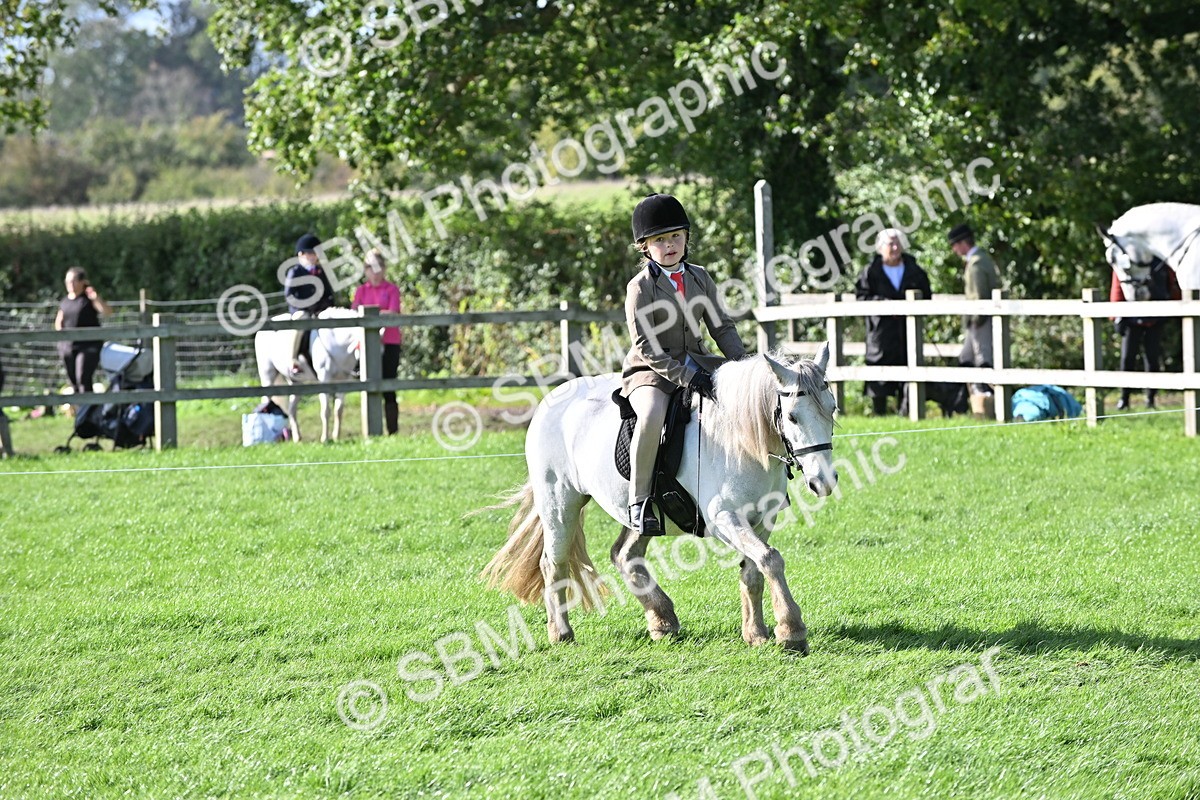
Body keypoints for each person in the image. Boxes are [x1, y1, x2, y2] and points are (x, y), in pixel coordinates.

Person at [620, 193, 747, 536]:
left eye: (676, 236)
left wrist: (743, 367)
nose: (670, 245)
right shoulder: (640, 287)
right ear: (645, 247)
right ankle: (639, 501)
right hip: (651, 371)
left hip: (698, 360)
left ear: (687, 237)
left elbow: (722, 328)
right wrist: (687, 377)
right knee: (651, 416)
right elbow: (646, 346)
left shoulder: (700, 277)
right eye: (660, 240)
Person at [854, 229, 932, 416]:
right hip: (880, 332)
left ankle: (907, 413)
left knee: (909, 365)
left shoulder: (914, 269)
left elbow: (927, 295)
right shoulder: (870, 272)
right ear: (880, 248)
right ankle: (879, 414)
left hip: (907, 331)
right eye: (891, 244)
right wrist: (886, 305)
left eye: (898, 243)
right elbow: (862, 298)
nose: (895, 248)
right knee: (878, 373)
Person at [1109, 252, 1181, 409]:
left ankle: (1150, 398)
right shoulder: (1129, 255)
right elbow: (1118, 282)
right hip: (1130, 317)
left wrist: (1175, 304)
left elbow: (1170, 282)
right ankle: (1124, 398)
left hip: (1155, 317)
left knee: (1152, 358)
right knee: (1127, 358)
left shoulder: (1159, 257)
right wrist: (1116, 314)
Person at [352, 249, 404, 435]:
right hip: (365, 345)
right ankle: (371, 430)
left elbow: (393, 312)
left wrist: (373, 316)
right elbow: (354, 314)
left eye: (377, 266)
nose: (374, 271)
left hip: (389, 342)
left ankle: (393, 431)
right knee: (367, 385)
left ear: (384, 268)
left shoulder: (391, 290)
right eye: (369, 267)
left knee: (389, 385)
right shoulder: (361, 291)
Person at [948, 223, 1002, 394]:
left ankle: (987, 397)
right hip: (977, 319)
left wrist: (976, 320)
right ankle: (969, 397)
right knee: (966, 357)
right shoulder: (981, 259)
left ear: (963, 243)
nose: (954, 250)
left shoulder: (976, 263)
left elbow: (979, 294)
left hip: (979, 319)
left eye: (955, 245)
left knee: (982, 357)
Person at [54, 266, 112, 395]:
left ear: (82, 282)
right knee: (73, 380)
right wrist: (61, 338)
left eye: (73, 281)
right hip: (68, 346)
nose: (70, 284)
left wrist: (95, 297)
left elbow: (107, 312)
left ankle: (88, 406)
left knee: (83, 377)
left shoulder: (89, 299)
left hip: (88, 345)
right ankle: (78, 406)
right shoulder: (65, 302)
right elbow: (59, 321)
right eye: (68, 281)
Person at [285, 233, 336, 375]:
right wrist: (304, 307)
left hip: (319, 311)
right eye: (310, 253)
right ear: (301, 254)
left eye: (315, 253)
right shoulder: (295, 272)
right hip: (301, 310)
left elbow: (329, 293)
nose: (313, 256)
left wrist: (326, 307)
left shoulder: (321, 272)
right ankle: (293, 359)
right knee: (301, 320)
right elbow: (289, 295)